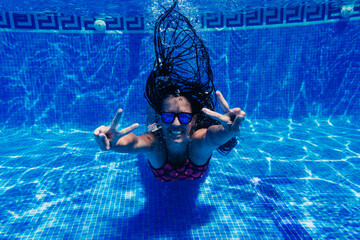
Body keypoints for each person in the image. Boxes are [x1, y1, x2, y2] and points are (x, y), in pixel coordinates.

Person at [93, 3, 246, 182]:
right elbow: (134, 142)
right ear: (161, 119)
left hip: (179, 133)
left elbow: (211, 137)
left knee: (163, 103)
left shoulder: (197, 142)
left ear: (194, 119)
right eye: (167, 117)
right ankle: (161, 83)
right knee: (155, 112)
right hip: (158, 128)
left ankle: (163, 79)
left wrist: (227, 132)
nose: (175, 123)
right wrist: (114, 143)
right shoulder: (154, 144)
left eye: (184, 117)